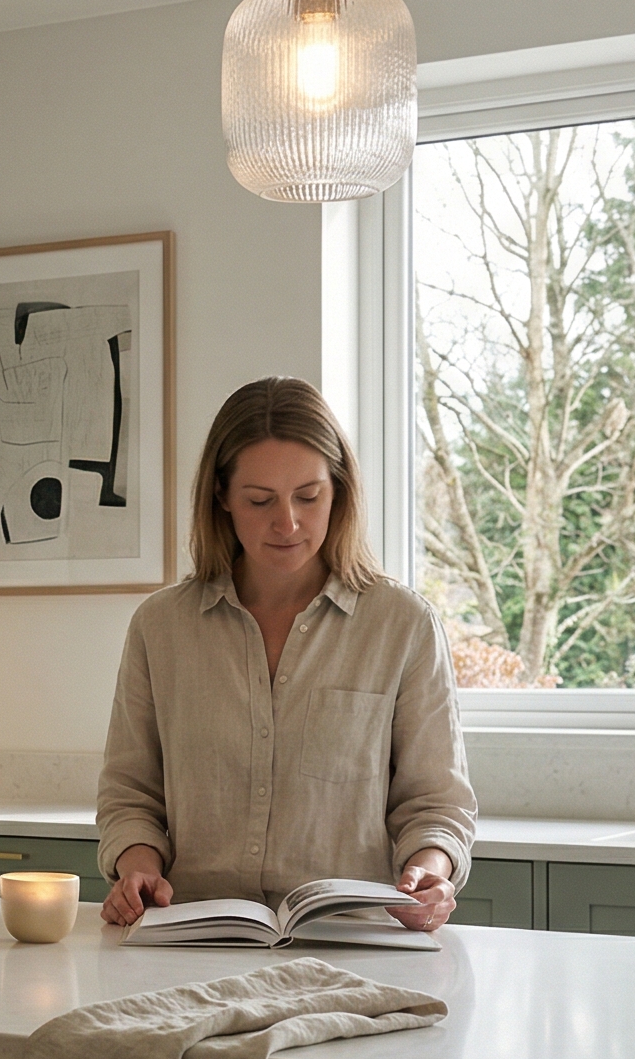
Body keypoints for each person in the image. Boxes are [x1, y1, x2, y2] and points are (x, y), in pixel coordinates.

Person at [97, 377, 476, 933]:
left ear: (339, 491)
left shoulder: (403, 625)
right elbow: (131, 794)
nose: (288, 523)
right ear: (221, 496)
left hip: (349, 941)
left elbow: (437, 804)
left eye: (308, 496)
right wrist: (137, 867)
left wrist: (430, 872)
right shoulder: (161, 627)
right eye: (260, 500)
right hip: (190, 938)